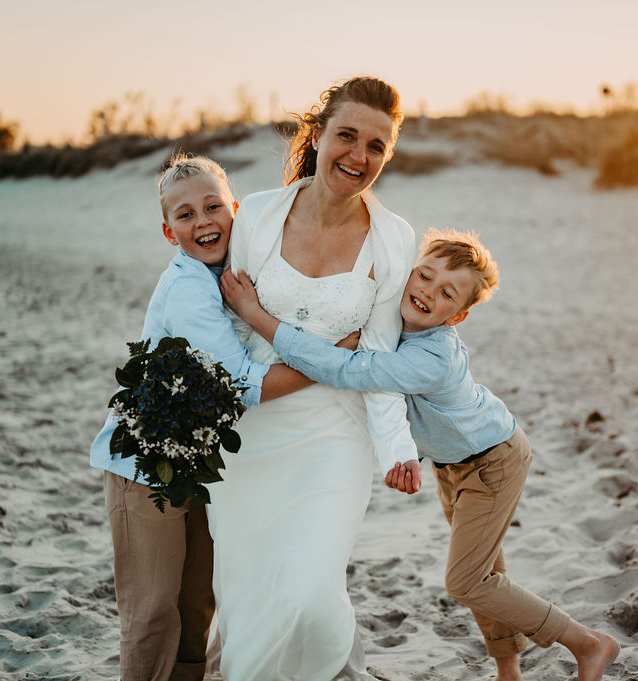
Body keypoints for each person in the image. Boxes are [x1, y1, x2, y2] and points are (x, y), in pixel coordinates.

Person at [221, 227, 622, 681]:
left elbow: (350, 370)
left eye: (446, 292)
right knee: (488, 571)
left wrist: (256, 316)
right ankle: (509, 673)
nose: (428, 292)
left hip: (494, 462)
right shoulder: (394, 323)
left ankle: (588, 644)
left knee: (468, 581)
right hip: (454, 466)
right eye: (424, 276)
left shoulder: (432, 357)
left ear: (458, 316)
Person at [205, 76, 420, 681]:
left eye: (376, 146)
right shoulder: (258, 218)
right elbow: (231, 338)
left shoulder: (393, 239)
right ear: (317, 134)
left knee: (310, 597)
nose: (359, 156)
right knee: (249, 599)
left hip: (336, 438)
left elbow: (376, 364)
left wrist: (396, 450)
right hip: (250, 439)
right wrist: (323, 353)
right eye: (346, 136)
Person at [89, 155, 324, 681]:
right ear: (169, 231)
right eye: (186, 215)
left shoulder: (238, 275)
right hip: (141, 466)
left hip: (199, 463)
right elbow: (239, 383)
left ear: (234, 208)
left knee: (198, 603)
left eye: (213, 206)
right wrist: (330, 363)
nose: (203, 222)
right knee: (151, 610)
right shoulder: (190, 288)